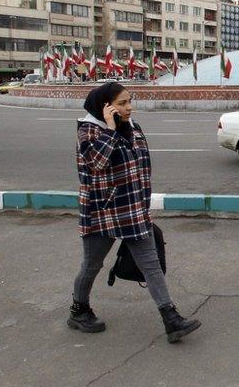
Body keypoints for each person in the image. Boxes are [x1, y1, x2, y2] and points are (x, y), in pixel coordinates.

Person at [70, 83, 201, 343]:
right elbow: (96, 163)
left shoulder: (134, 129)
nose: (129, 108)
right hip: (102, 211)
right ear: (105, 107)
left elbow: (143, 168)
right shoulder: (88, 131)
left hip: (131, 209)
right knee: (92, 265)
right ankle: (78, 310)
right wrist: (110, 129)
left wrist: (143, 205)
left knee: (151, 264)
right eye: (122, 103)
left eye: (130, 101)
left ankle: (171, 318)